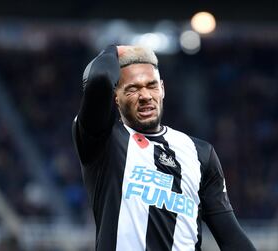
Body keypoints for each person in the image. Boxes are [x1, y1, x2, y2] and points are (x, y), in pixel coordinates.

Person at [72, 44, 256, 251]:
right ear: (116, 97)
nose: (145, 96)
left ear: (163, 89)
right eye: (132, 89)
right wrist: (113, 49)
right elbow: (100, 78)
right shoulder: (103, 140)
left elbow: (231, 237)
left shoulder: (200, 153)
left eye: (151, 86)